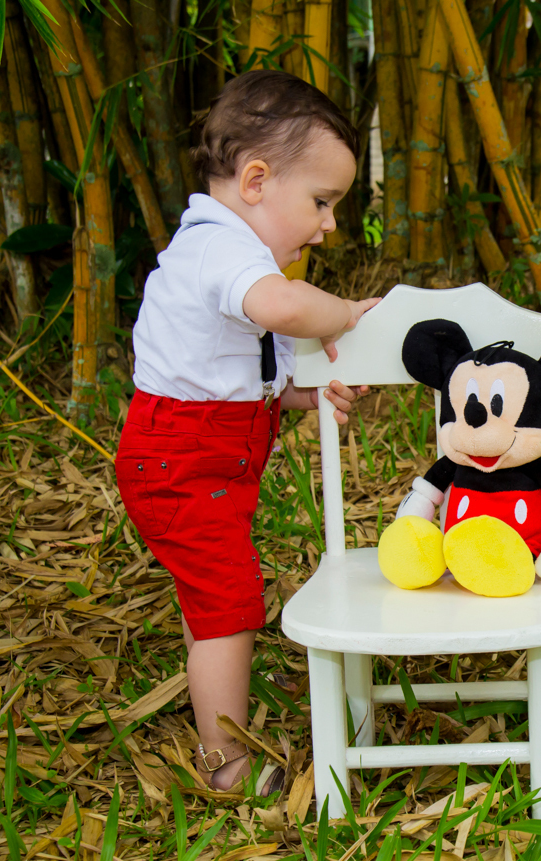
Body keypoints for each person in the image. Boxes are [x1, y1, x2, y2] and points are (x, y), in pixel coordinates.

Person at [116, 70, 378, 795]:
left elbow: (234, 370)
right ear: (256, 179)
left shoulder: (229, 248)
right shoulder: (220, 248)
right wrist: (348, 312)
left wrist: (295, 392)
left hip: (201, 457)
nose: (328, 224)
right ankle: (223, 762)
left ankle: (218, 725)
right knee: (232, 600)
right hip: (180, 462)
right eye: (321, 202)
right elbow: (284, 310)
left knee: (216, 600)